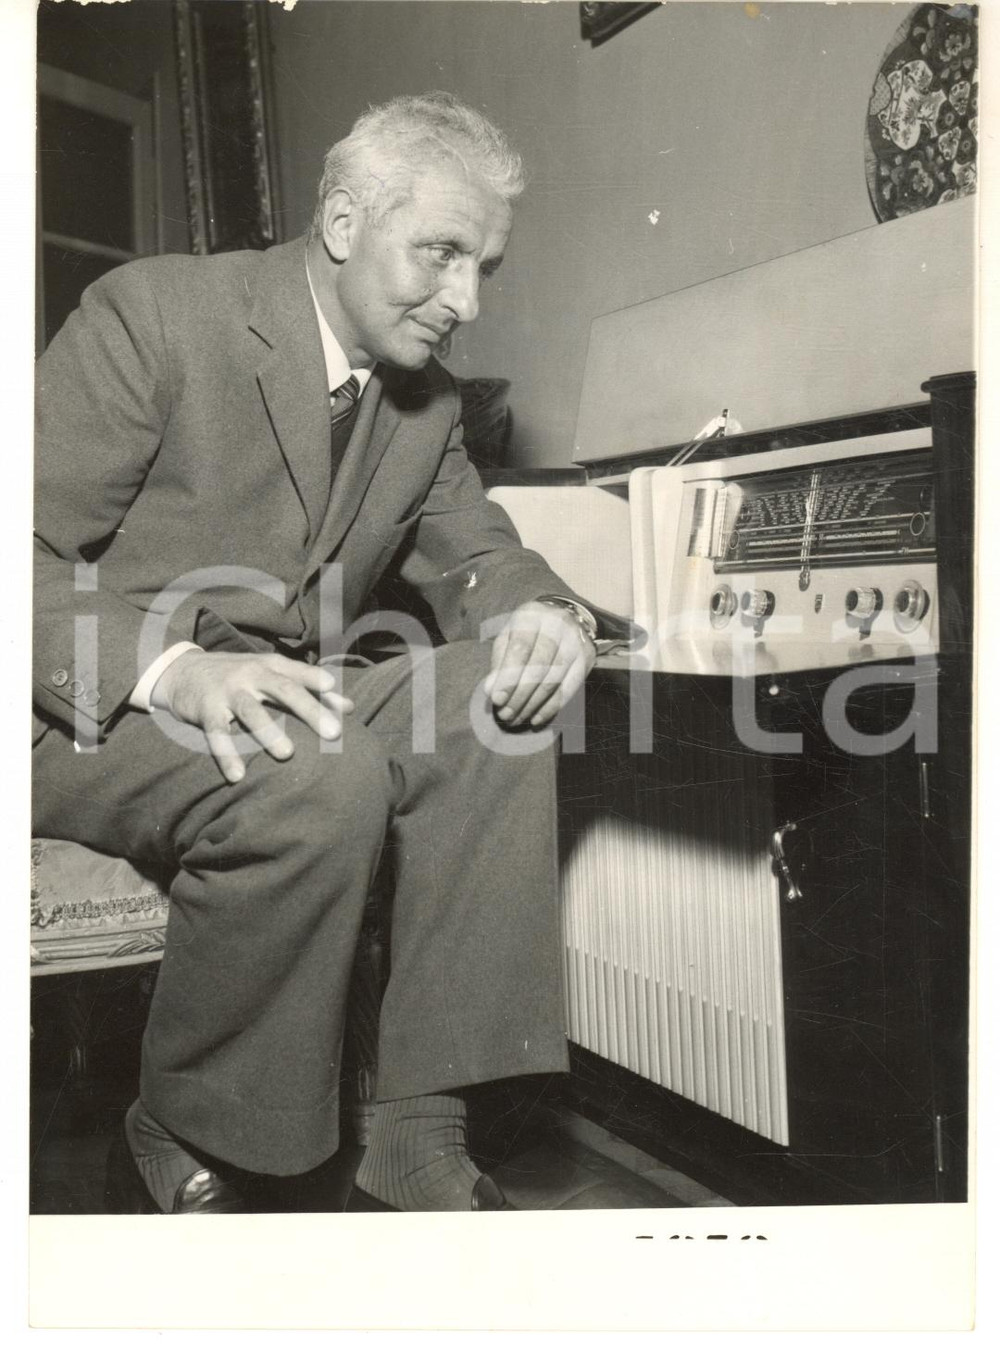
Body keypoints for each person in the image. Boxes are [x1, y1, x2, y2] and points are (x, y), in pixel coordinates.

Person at [33, 92, 632, 1213]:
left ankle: (417, 1133)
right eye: (441, 254)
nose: (463, 300)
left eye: (483, 268)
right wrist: (177, 670)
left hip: (280, 701)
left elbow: (479, 553)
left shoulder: (424, 403)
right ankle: (191, 1122)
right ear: (346, 220)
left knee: (494, 702)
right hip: (90, 709)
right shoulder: (155, 316)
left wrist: (540, 614)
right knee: (320, 767)